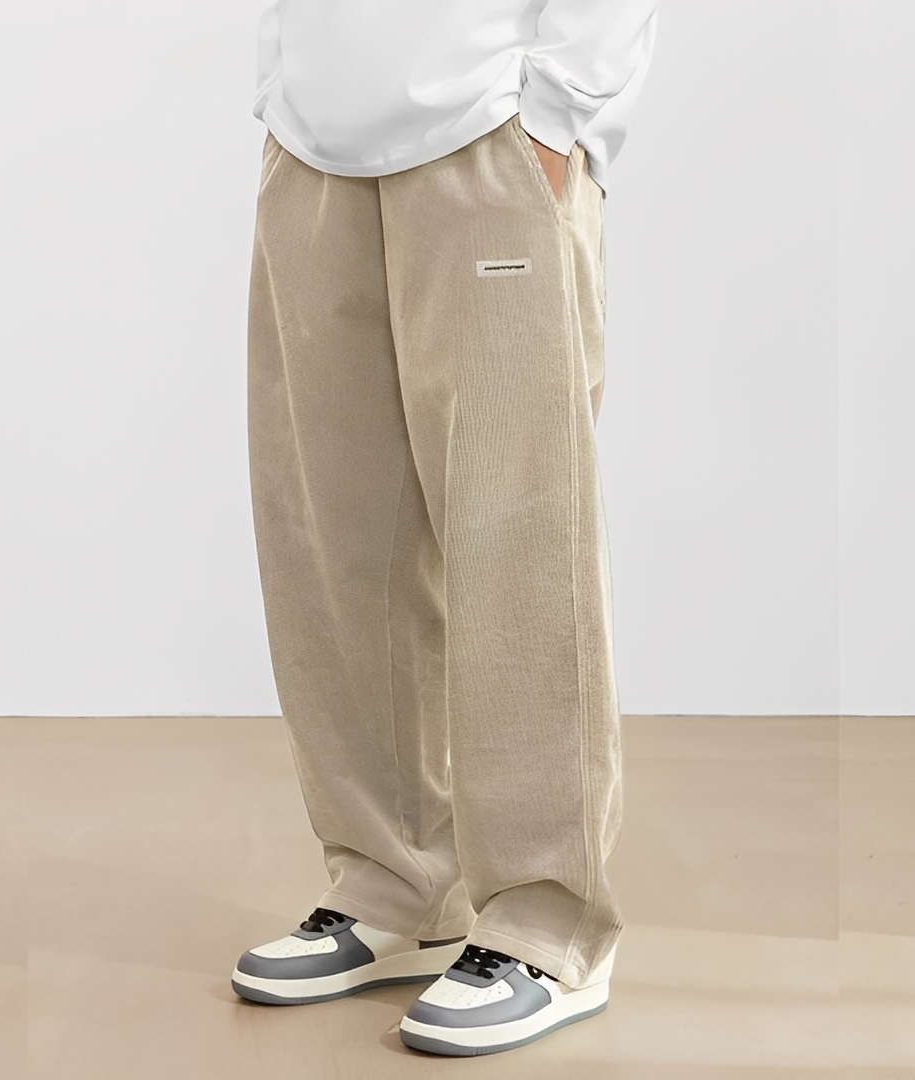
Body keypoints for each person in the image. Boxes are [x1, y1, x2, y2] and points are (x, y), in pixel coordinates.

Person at [231, 0, 658, 1057]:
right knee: (329, 536)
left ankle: (548, 924)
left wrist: (558, 115)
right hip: (313, 147)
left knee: (517, 537)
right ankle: (394, 882)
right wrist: (280, 85)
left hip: (488, 134)